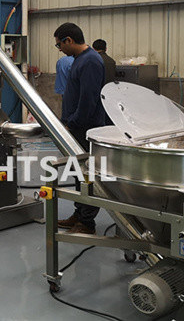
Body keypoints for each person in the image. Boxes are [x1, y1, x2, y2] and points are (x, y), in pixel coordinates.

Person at [53, 23, 107, 234]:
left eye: (59, 45)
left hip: (86, 129)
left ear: (69, 40)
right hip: (77, 127)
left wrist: (73, 122)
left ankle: (87, 222)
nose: (60, 49)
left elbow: (88, 100)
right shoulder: (79, 59)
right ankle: (79, 213)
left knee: (87, 175)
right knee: (78, 173)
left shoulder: (90, 61)